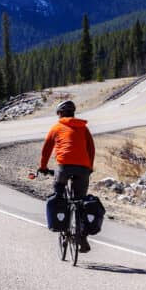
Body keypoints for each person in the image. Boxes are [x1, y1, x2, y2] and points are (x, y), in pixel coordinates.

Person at [38, 99, 95, 252]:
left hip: (63, 168)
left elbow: (46, 149)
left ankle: (62, 224)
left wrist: (43, 167)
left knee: (59, 195)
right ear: (73, 113)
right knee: (81, 201)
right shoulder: (84, 128)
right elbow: (91, 148)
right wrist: (89, 167)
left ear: (59, 114)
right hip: (83, 168)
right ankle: (82, 237)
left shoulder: (56, 127)